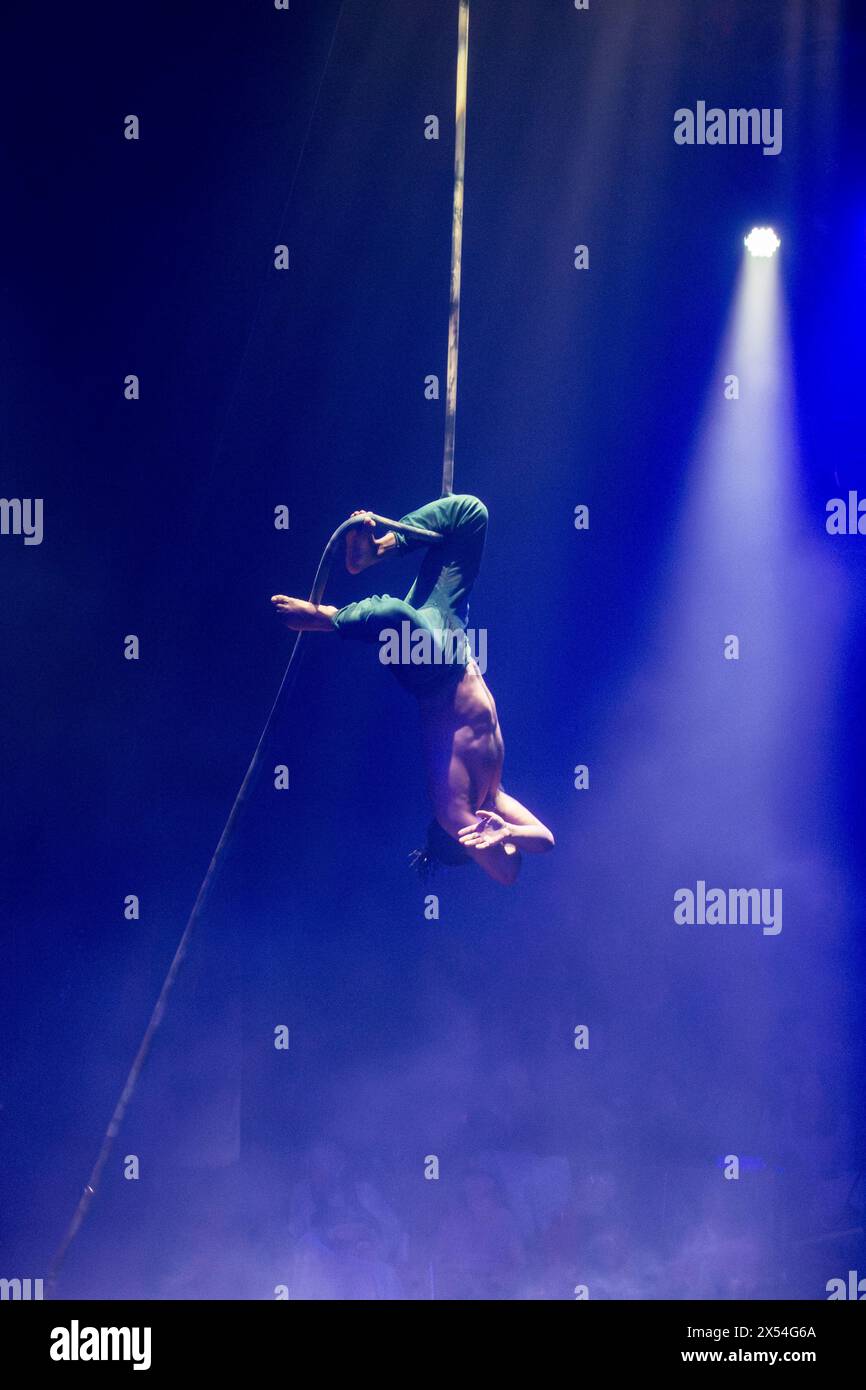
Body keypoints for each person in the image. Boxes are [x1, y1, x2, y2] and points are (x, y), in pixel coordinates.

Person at [271, 494, 554, 886]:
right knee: (470, 514)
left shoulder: (453, 811)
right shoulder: (494, 799)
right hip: (455, 643)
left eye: (488, 843)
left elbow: (508, 874)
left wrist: (495, 839)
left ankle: (326, 618)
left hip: (431, 672)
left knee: (392, 614)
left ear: (466, 840)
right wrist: (509, 832)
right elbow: (546, 840)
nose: (500, 839)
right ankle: (377, 550)